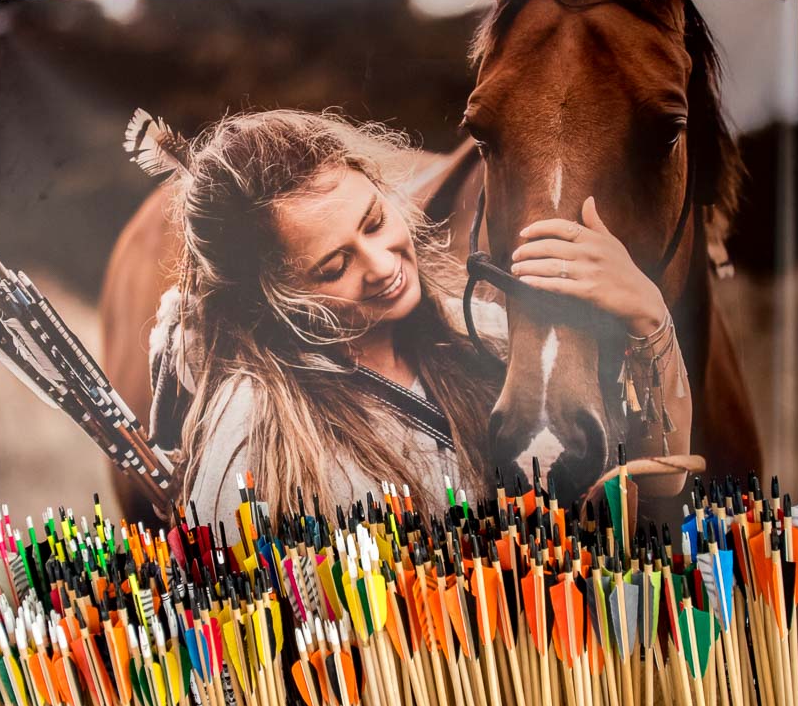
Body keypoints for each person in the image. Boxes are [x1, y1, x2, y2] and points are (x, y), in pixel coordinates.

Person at [141, 109, 689, 532]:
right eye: (335, 266)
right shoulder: (255, 438)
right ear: (271, 299)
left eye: (375, 223)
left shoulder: (488, 337)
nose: (382, 267)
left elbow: (654, 495)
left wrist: (646, 313)